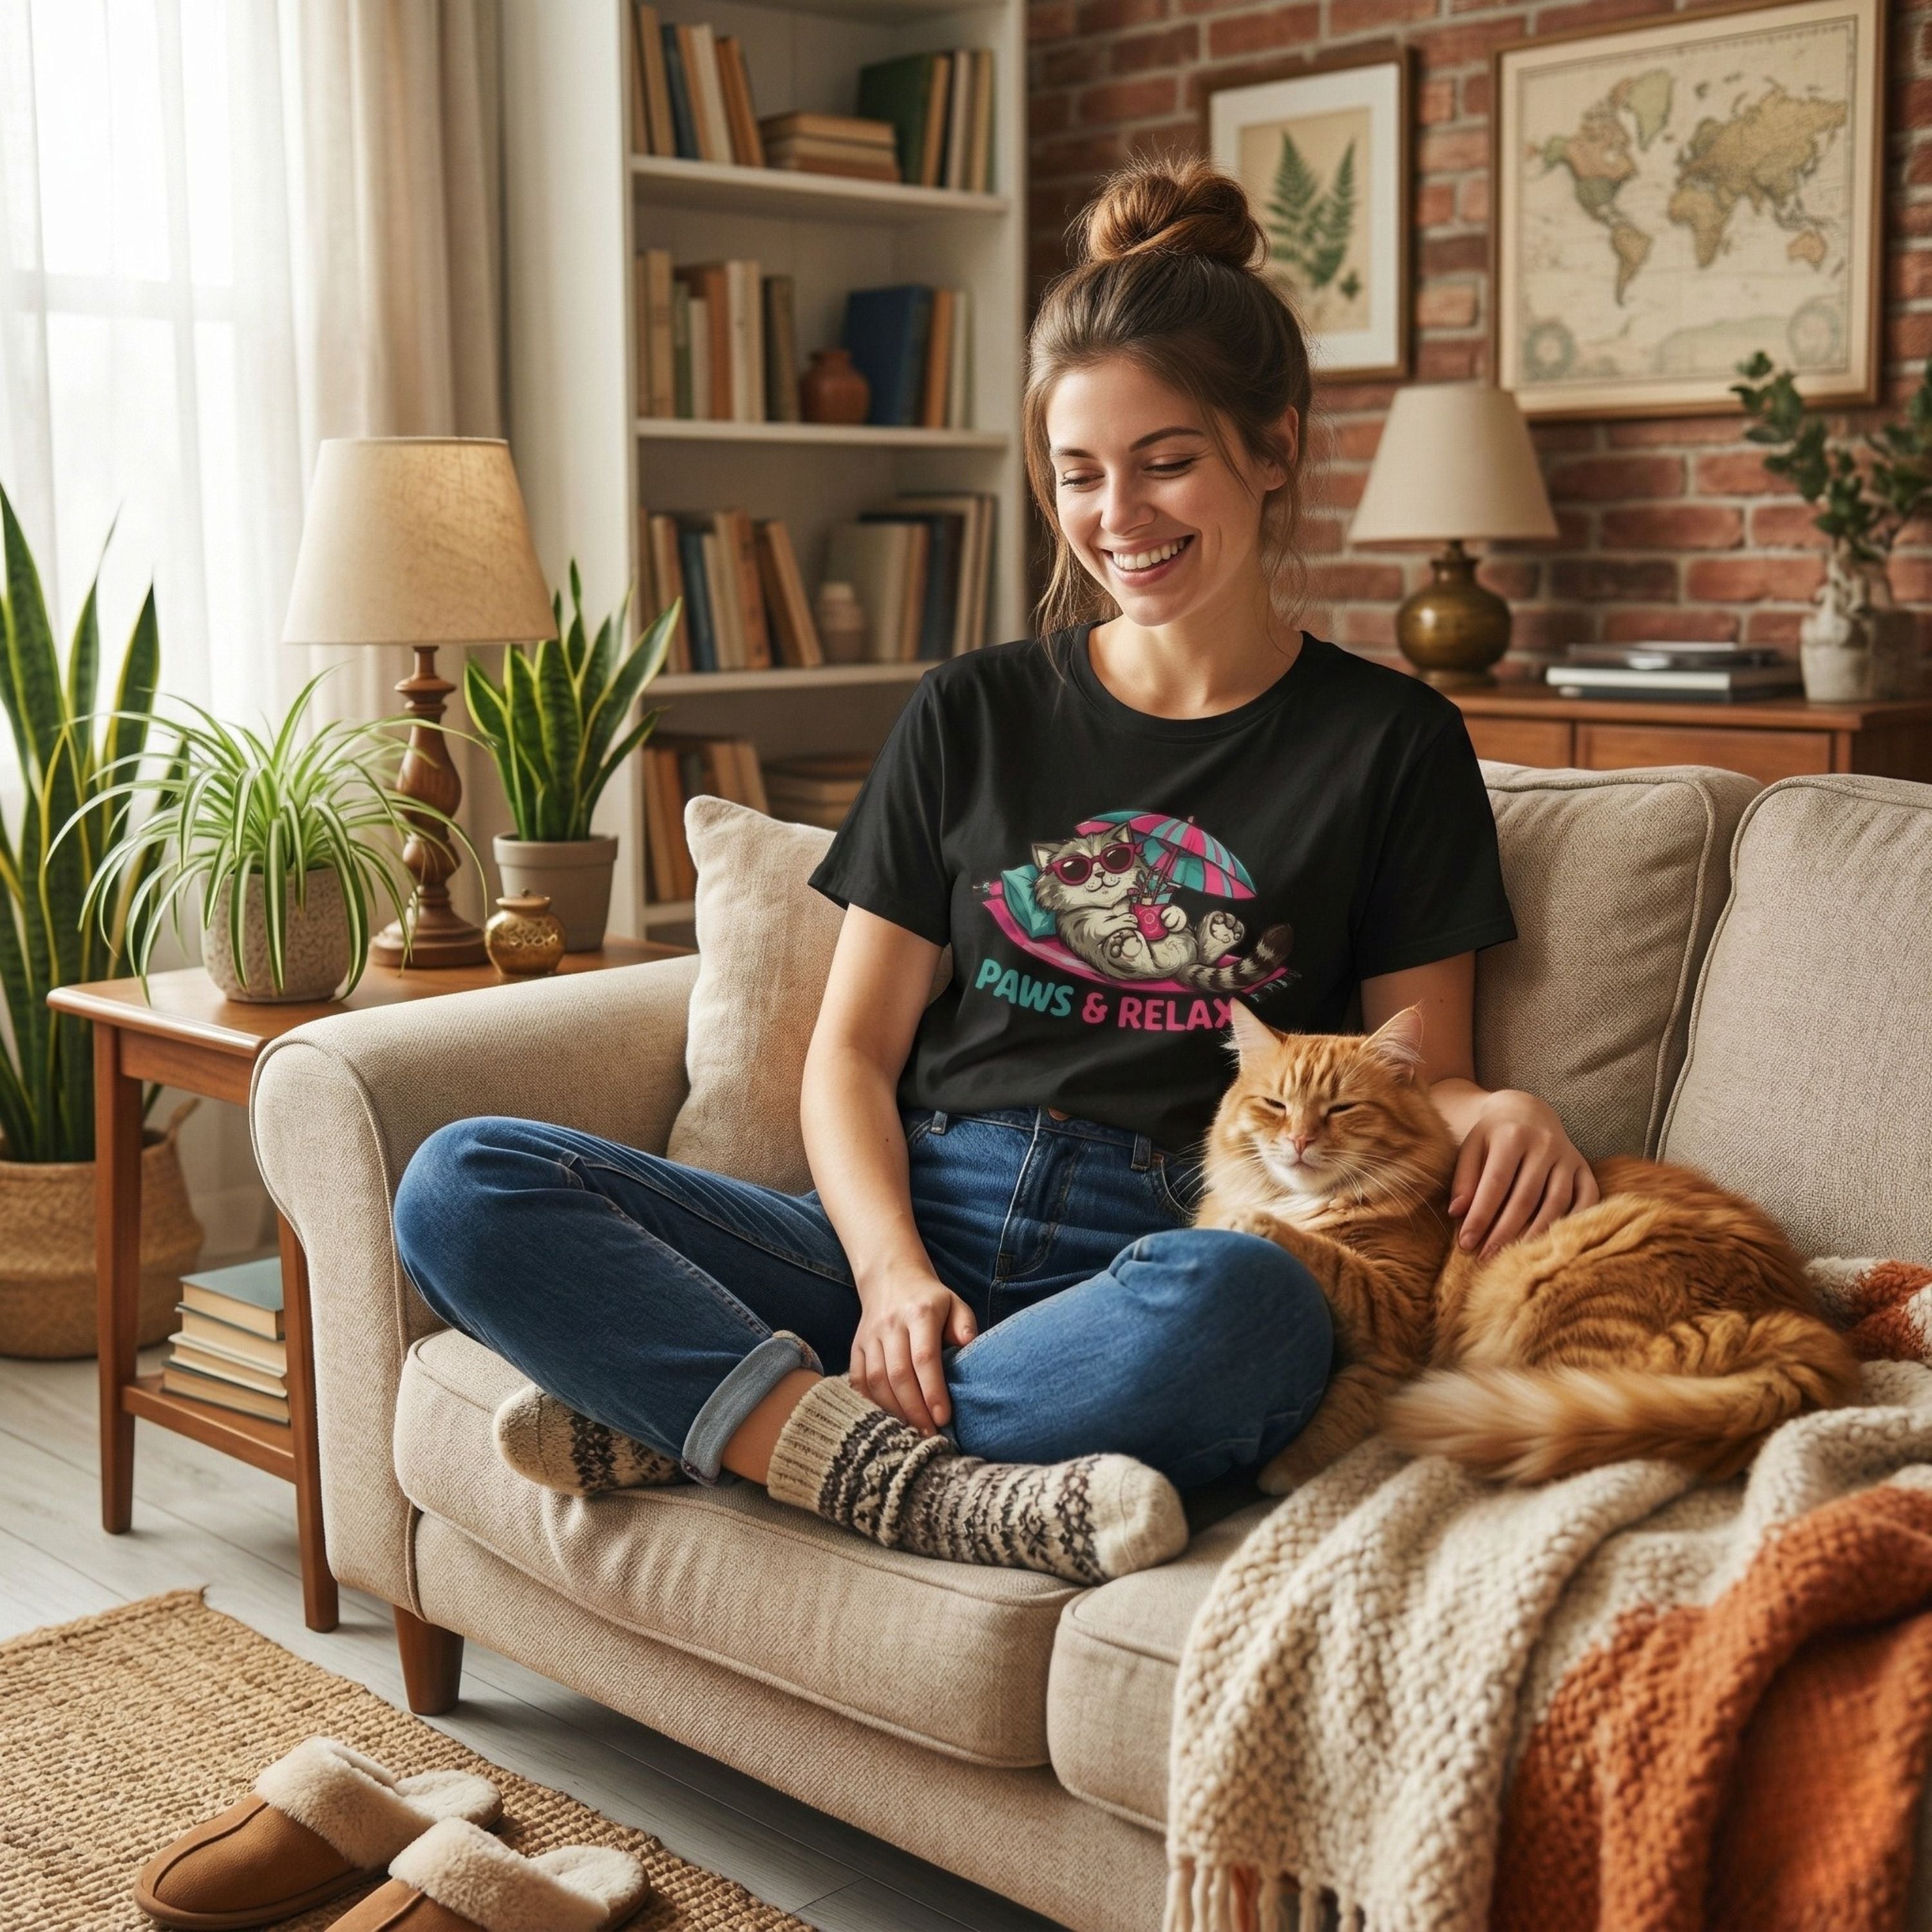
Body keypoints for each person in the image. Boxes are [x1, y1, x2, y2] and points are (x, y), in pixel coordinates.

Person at [392, 153, 1598, 1587]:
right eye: (1079, 474)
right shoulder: (974, 710)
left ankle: (726, 1418)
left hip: (1161, 1246)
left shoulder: (1393, 741)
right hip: (916, 1209)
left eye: (1168, 461)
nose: (1119, 518)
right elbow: (850, 1054)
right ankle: (903, 1469)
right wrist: (894, 1270)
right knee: (463, 1179)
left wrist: (1504, 1108)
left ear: (1272, 449)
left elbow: (1417, 1083)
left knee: (1258, 1310)